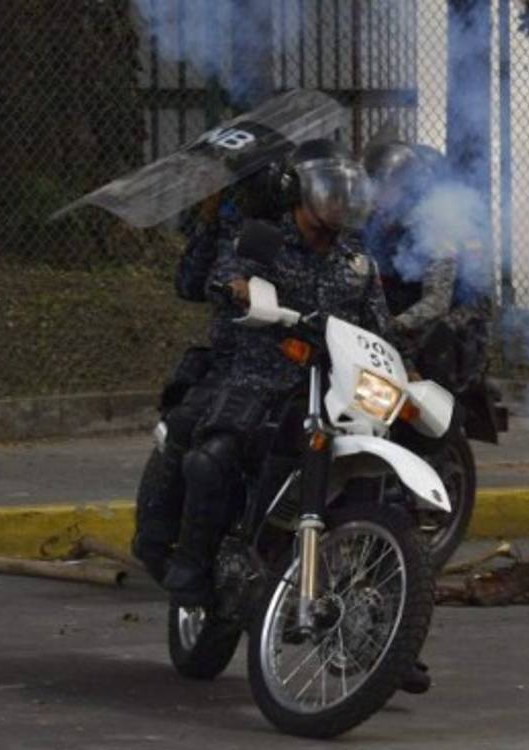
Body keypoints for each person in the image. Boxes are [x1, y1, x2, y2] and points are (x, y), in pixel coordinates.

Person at [161, 137, 391, 606]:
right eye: (330, 189)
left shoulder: (358, 260)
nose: (340, 201)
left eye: (347, 191)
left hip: (334, 386)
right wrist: (239, 287)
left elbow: (379, 327)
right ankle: (193, 566)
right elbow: (222, 276)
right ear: (297, 191)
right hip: (259, 374)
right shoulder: (263, 237)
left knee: (385, 479)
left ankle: (386, 608)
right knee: (215, 456)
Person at [131, 157, 291, 584]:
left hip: (289, 363)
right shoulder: (229, 226)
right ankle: (165, 545)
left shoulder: (301, 234)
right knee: (183, 428)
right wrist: (206, 218)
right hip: (229, 364)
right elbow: (189, 284)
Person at [359, 140, 491, 394]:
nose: (373, 192)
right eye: (372, 183)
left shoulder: (434, 227)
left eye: (384, 185)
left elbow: (437, 303)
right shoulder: (376, 223)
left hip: (443, 334)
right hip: (399, 321)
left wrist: (389, 326)